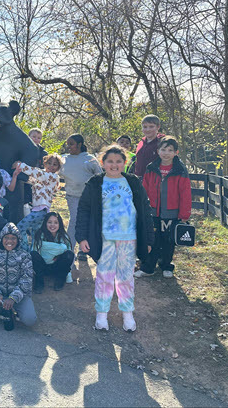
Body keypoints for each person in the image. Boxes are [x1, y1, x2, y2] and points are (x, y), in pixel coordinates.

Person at [76, 145, 154, 332]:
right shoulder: (95, 184)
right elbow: (84, 210)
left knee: (125, 277)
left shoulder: (133, 182)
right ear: (103, 163)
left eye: (118, 161)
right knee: (104, 276)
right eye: (110, 161)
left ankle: (127, 312)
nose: (114, 164)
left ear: (125, 163)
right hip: (105, 239)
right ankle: (101, 313)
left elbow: (145, 210)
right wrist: (82, 236)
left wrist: (149, 238)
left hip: (129, 237)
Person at [135, 136, 191, 279]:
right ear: (158, 151)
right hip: (152, 212)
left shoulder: (180, 170)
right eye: (163, 149)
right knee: (152, 240)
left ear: (176, 152)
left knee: (168, 241)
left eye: (170, 150)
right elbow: (144, 189)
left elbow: (185, 193)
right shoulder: (151, 168)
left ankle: (166, 265)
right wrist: (142, 209)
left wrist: (184, 215)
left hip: (171, 214)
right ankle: (148, 267)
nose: (166, 153)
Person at [60, 134, 102, 262]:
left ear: (79, 144)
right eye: (68, 144)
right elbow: (52, 170)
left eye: (71, 144)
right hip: (72, 196)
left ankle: (83, 250)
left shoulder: (90, 159)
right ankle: (68, 251)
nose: (69, 147)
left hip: (88, 198)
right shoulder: (63, 159)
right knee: (74, 222)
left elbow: (100, 176)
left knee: (87, 222)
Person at [13, 154, 63, 250]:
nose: (51, 166)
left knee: (19, 228)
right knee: (36, 235)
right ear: (44, 163)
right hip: (37, 210)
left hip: (41, 210)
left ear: (58, 167)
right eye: (49, 163)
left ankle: (25, 251)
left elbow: (37, 173)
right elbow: (33, 179)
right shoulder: (43, 177)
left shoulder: (52, 177)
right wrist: (18, 174)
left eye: (55, 164)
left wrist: (21, 165)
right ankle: (34, 254)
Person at [31, 212, 75, 293]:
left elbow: (67, 251)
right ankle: (39, 281)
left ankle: (60, 279)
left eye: (56, 222)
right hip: (42, 266)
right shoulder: (40, 235)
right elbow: (35, 251)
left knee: (70, 254)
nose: (52, 225)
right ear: (45, 223)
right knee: (33, 254)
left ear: (60, 224)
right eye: (49, 222)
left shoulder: (63, 236)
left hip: (57, 266)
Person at [132, 115, 165, 179]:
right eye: (145, 127)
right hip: (139, 180)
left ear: (158, 127)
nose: (148, 129)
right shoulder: (141, 143)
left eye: (151, 126)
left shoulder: (162, 142)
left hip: (155, 180)